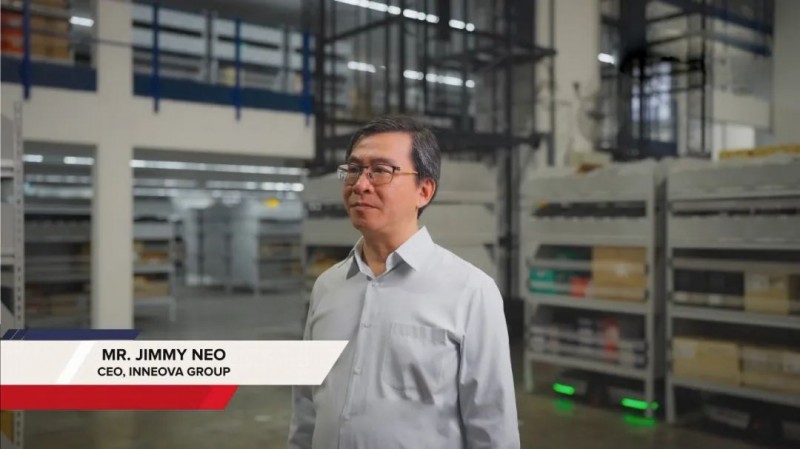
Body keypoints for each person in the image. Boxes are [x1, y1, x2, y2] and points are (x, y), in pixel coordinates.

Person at [288, 116, 519, 449]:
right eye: (353, 169)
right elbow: (307, 407)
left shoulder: (471, 292)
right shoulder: (327, 286)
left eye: (380, 171)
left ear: (424, 191)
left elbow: (492, 427)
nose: (360, 184)